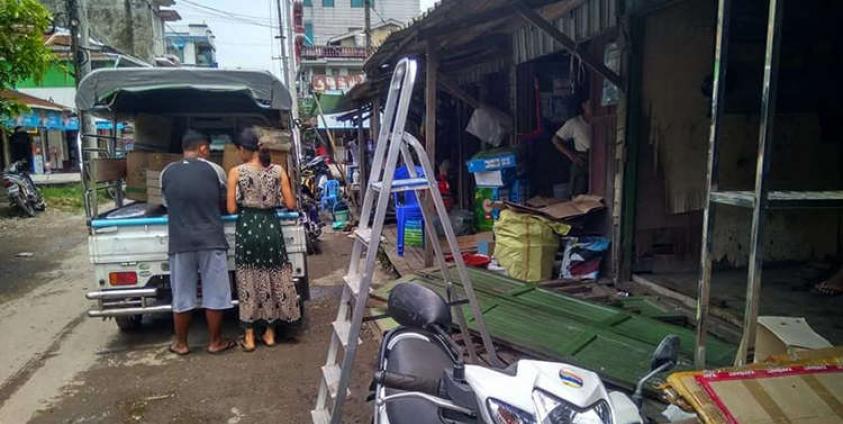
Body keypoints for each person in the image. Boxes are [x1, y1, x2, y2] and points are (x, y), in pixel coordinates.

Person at [161, 129, 236, 356]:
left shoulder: (166, 172)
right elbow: (224, 197)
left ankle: (181, 344)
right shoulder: (215, 170)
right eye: (208, 148)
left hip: (180, 241)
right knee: (215, 293)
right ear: (202, 148)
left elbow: (166, 203)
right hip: (211, 239)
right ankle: (215, 342)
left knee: (182, 294)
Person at [227, 127, 298, 352]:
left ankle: (249, 336)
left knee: (248, 279)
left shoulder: (236, 172)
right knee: (272, 277)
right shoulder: (277, 171)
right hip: (270, 228)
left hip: (248, 229)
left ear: (243, 149)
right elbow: (291, 204)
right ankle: (270, 333)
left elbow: (231, 208)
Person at [551, 99, 593, 196]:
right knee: (578, 193)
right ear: (584, 105)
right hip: (582, 160)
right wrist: (572, 156)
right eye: (590, 104)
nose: (593, 106)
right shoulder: (575, 123)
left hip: (599, 159)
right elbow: (555, 140)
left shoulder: (602, 121)